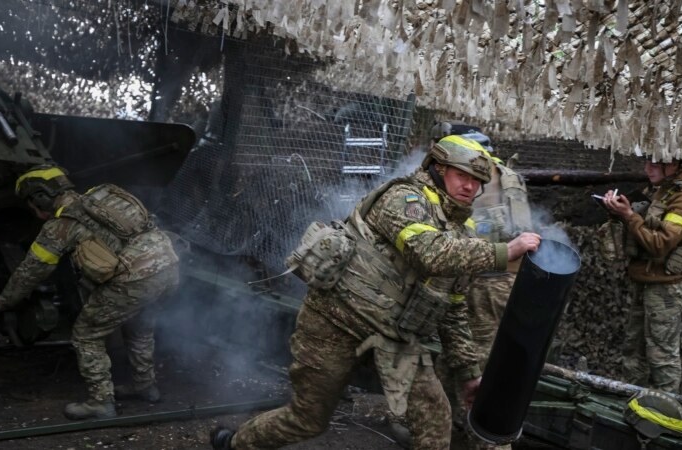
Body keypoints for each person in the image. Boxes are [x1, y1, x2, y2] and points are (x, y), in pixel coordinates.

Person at [210, 135, 541, 449]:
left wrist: (469, 374)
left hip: (394, 338)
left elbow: (452, 309)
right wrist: (505, 251)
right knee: (308, 419)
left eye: (477, 181)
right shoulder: (405, 198)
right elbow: (430, 252)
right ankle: (237, 443)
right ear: (438, 169)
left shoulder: (464, 234)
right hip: (336, 323)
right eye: (462, 176)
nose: (470, 186)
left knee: (435, 422)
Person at [0, 165, 180, 419]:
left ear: (40, 197)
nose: (33, 210)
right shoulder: (103, 195)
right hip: (168, 267)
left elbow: (30, 272)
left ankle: (101, 402)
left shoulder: (61, 226)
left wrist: (3, 302)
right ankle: (144, 386)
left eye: (31, 204)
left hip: (135, 280)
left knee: (86, 335)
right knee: (139, 326)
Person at [430, 122, 533, 450]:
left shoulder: (476, 178)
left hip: (483, 279)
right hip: (508, 279)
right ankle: (447, 427)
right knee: (470, 353)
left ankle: (480, 436)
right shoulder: (508, 175)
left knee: (471, 359)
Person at [602, 155, 682, 393]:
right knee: (634, 351)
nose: (647, 169)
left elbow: (659, 244)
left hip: (667, 289)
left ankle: (662, 409)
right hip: (647, 282)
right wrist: (619, 212)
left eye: (653, 164)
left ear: (673, 164)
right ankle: (632, 402)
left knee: (662, 358)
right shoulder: (663, 190)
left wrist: (629, 216)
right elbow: (643, 226)